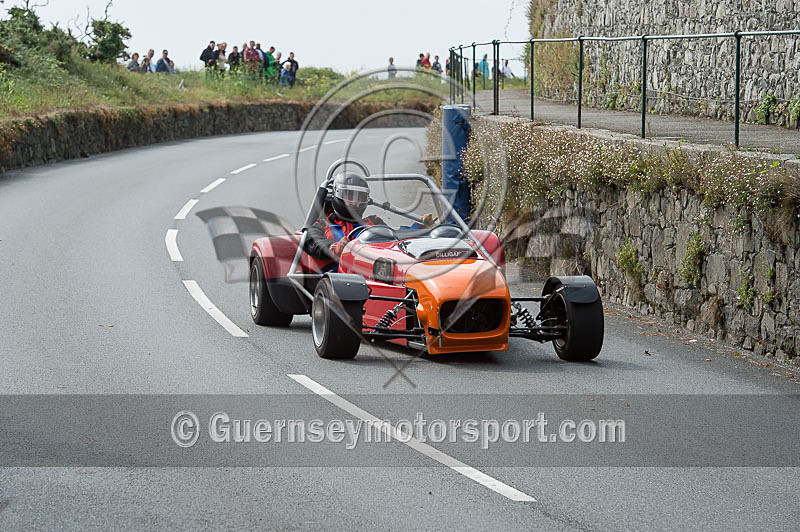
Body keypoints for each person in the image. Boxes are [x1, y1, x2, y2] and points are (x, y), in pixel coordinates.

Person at [304, 172, 385, 261]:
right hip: (335, 269)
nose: (354, 202)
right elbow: (310, 242)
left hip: (369, 267)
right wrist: (335, 248)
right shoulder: (322, 225)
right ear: (337, 195)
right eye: (349, 196)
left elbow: (392, 241)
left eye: (359, 198)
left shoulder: (374, 223)